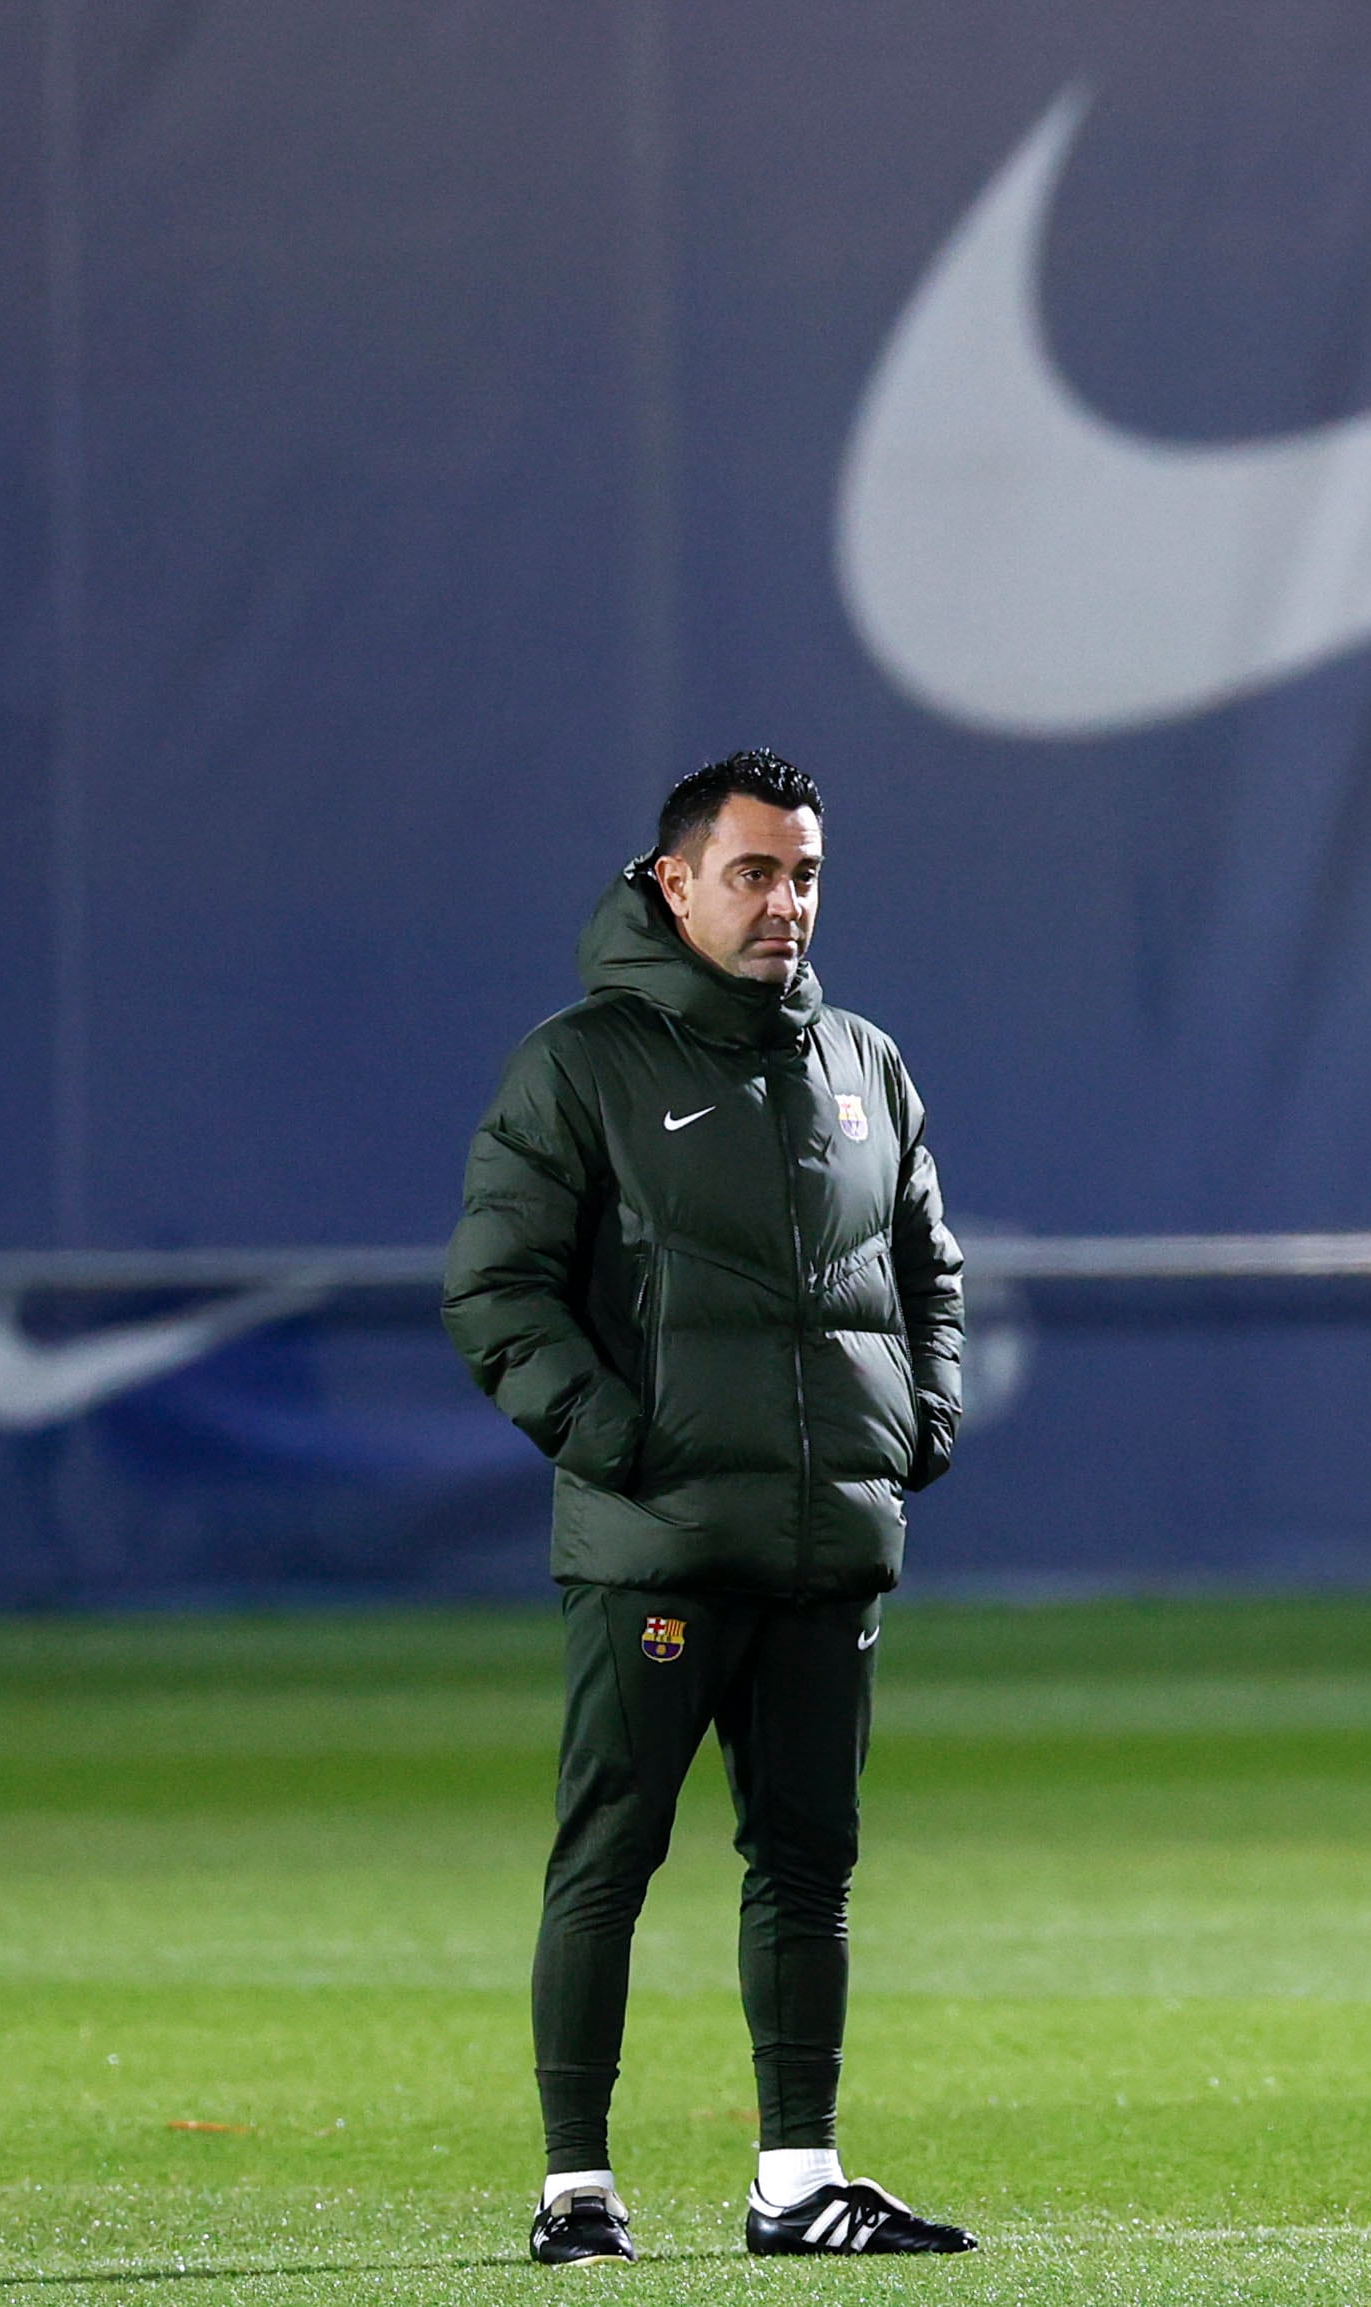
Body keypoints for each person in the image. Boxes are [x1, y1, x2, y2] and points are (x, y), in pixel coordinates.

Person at [444, 750, 977, 2264]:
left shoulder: (865, 1064)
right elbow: (494, 1289)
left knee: (811, 1865)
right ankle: (576, 2189)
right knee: (610, 1853)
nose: (784, 904)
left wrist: (914, 1428)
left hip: (824, 1547)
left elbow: (930, 1272)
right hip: (659, 1548)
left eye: (804, 873)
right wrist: (626, 1446)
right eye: (753, 872)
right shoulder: (582, 1063)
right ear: (672, 881)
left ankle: (797, 2182)